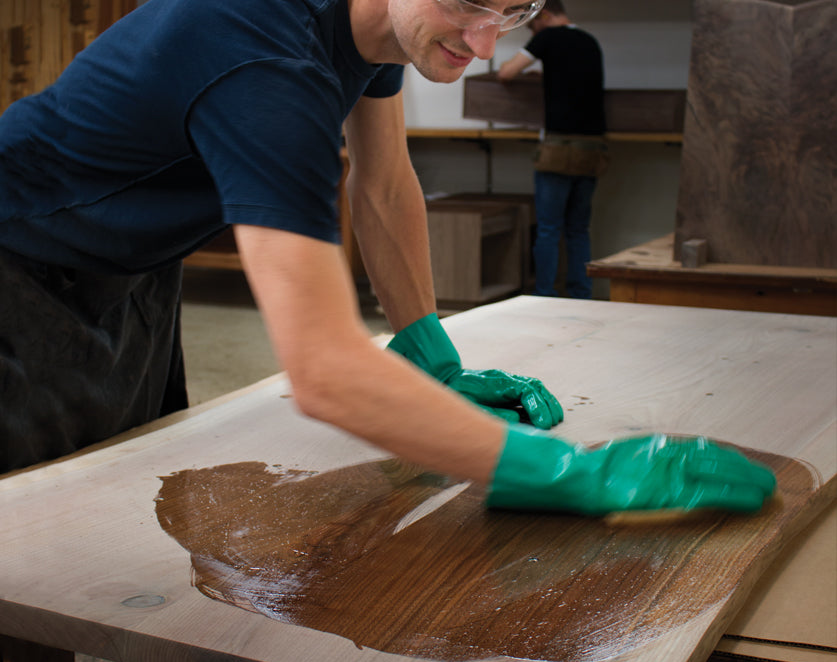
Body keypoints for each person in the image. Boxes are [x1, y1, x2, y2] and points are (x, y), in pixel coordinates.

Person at [0, 0, 776, 515]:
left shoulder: (368, 25)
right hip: (16, 269)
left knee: (130, 494)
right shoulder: (266, 62)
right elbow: (324, 373)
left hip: (130, 270)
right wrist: (568, 475)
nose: (484, 43)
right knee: (32, 532)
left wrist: (429, 356)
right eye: (467, 2)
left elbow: (383, 184)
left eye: (512, 10)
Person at [498, 0, 606, 299]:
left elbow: (506, 73)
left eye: (531, 23)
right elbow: (577, 82)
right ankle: (581, 294)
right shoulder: (589, 41)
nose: (532, 28)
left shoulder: (547, 38)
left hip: (559, 147)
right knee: (578, 228)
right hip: (593, 148)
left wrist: (522, 68)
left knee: (548, 228)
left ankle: (545, 295)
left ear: (544, 14)